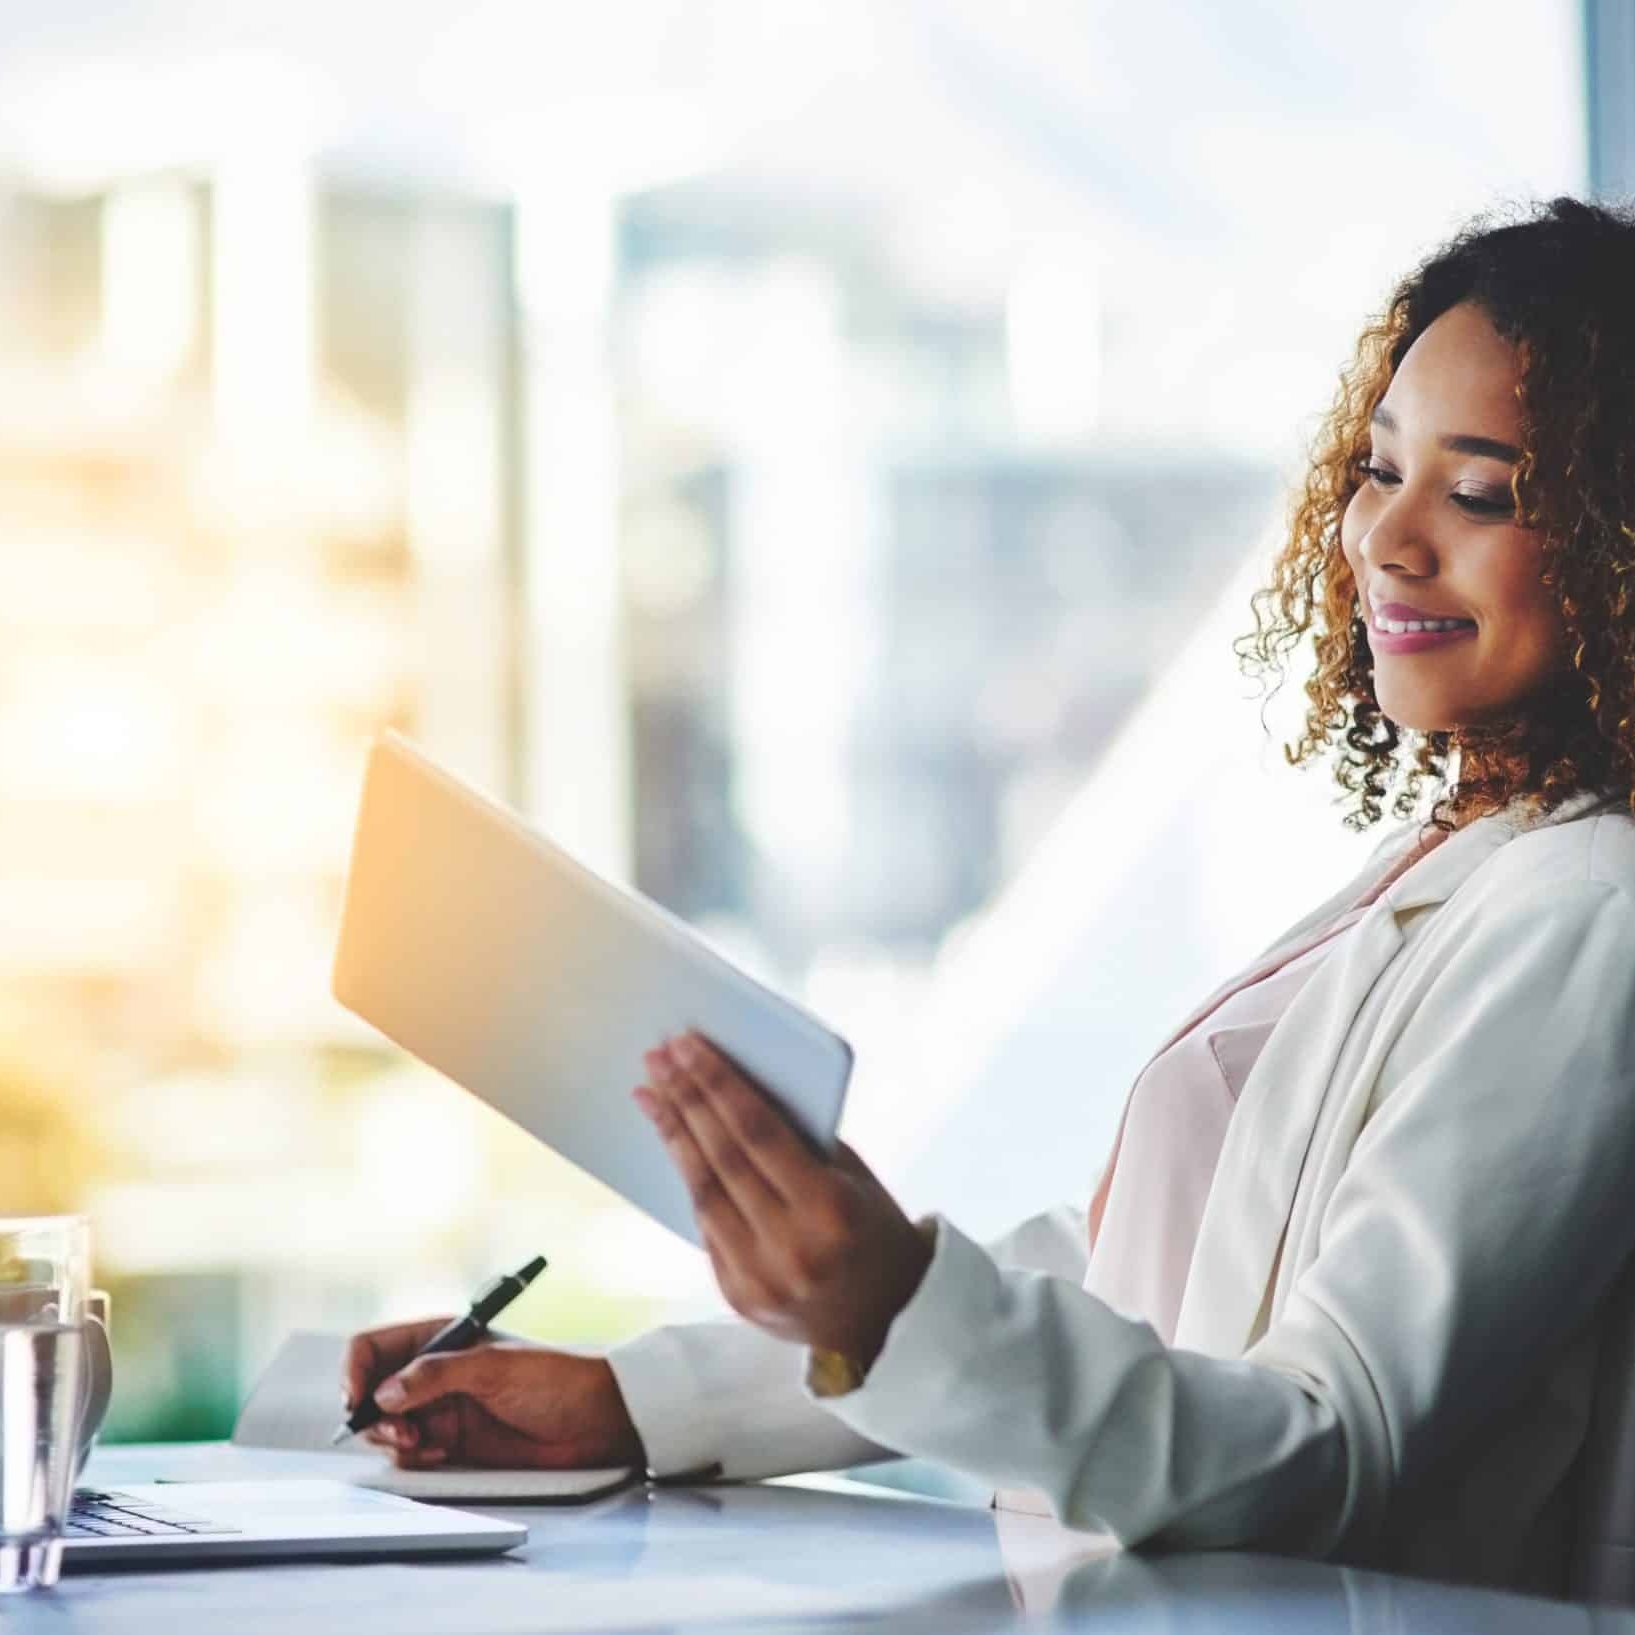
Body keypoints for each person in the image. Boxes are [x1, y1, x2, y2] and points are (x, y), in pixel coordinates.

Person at [342, 196, 1635, 1598]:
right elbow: (1157, 1266)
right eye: (1380, 471)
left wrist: (892, 1307)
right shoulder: (1480, 856)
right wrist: (641, 1399)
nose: (1387, 539)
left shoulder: (1591, 905)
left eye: (1484, 491)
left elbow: (1327, 1445)